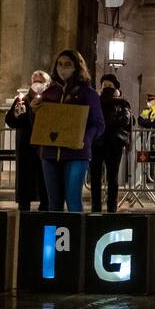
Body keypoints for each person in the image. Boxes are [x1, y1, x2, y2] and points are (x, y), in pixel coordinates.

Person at [35, 50, 104, 213]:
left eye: (67, 65)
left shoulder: (88, 93)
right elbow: (40, 123)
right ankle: (53, 237)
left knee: (73, 200)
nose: (62, 68)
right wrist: (33, 111)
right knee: (54, 203)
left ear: (76, 67)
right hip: (50, 154)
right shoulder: (48, 93)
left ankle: (76, 237)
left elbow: (98, 124)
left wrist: (85, 137)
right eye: (59, 64)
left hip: (76, 153)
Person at [4, 69, 50, 213]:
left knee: (45, 179)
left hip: (44, 145)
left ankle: (45, 207)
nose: (37, 84)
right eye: (34, 81)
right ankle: (23, 210)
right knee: (25, 180)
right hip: (26, 145)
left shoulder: (50, 99)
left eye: (40, 81)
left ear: (47, 83)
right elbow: (11, 121)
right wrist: (16, 114)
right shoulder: (21, 99)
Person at [91, 74, 133, 214]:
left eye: (110, 86)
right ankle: (95, 206)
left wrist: (106, 122)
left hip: (114, 143)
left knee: (112, 177)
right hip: (97, 143)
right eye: (104, 86)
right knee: (95, 176)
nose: (107, 89)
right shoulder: (95, 101)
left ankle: (111, 207)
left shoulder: (121, 103)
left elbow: (126, 120)